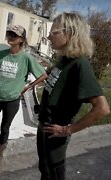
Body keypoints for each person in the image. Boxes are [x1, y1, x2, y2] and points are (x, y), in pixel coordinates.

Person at [37, 12, 110, 180]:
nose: (48, 36)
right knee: (45, 171)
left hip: (56, 133)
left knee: (54, 174)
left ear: (70, 33)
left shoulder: (80, 64)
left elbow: (102, 108)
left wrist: (67, 130)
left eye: (53, 32)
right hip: (44, 127)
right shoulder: (64, 60)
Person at [0, 25, 47, 169]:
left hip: (12, 100)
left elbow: (43, 75)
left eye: (14, 35)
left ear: (21, 40)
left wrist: (27, 87)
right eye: (9, 34)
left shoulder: (26, 58)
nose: (10, 37)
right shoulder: (0, 54)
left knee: (5, 127)